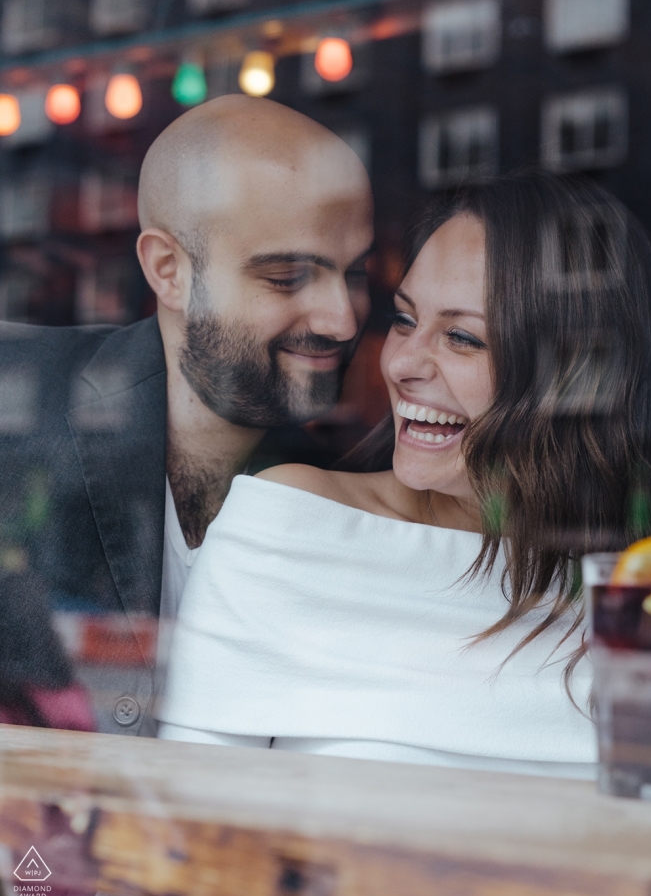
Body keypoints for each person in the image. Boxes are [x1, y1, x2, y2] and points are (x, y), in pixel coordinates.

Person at [159, 172, 651, 773]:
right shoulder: (291, 528)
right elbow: (184, 814)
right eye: (405, 319)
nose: (402, 363)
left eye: (463, 337)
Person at [0, 95, 374, 735]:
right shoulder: (25, 410)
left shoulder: (343, 490)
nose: (341, 319)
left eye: (355, 273)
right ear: (168, 271)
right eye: (286, 277)